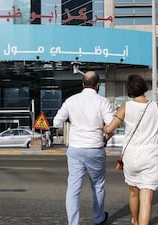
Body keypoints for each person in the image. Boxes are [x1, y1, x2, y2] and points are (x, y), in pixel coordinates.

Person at [103, 74, 158, 225]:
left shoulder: (125, 107)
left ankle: (135, 221)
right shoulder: (156, 107)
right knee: (146, 199)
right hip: (151, 155)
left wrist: (98, 125)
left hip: (131, 156)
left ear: (129, 90)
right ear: (144, 88)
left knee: (133, 192)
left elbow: (109, 128)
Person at [53, 71, 113, 225]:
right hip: (95, 148)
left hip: (75, 150)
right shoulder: (102, 102)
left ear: (82, 84)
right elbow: (111, 125)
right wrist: (105, 137)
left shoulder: (71, 101)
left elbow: (56, 122)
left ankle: (73, 223)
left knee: (73, 189)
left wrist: (69, 131)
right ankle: (99, 218)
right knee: (98, 186)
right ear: (98, 85)